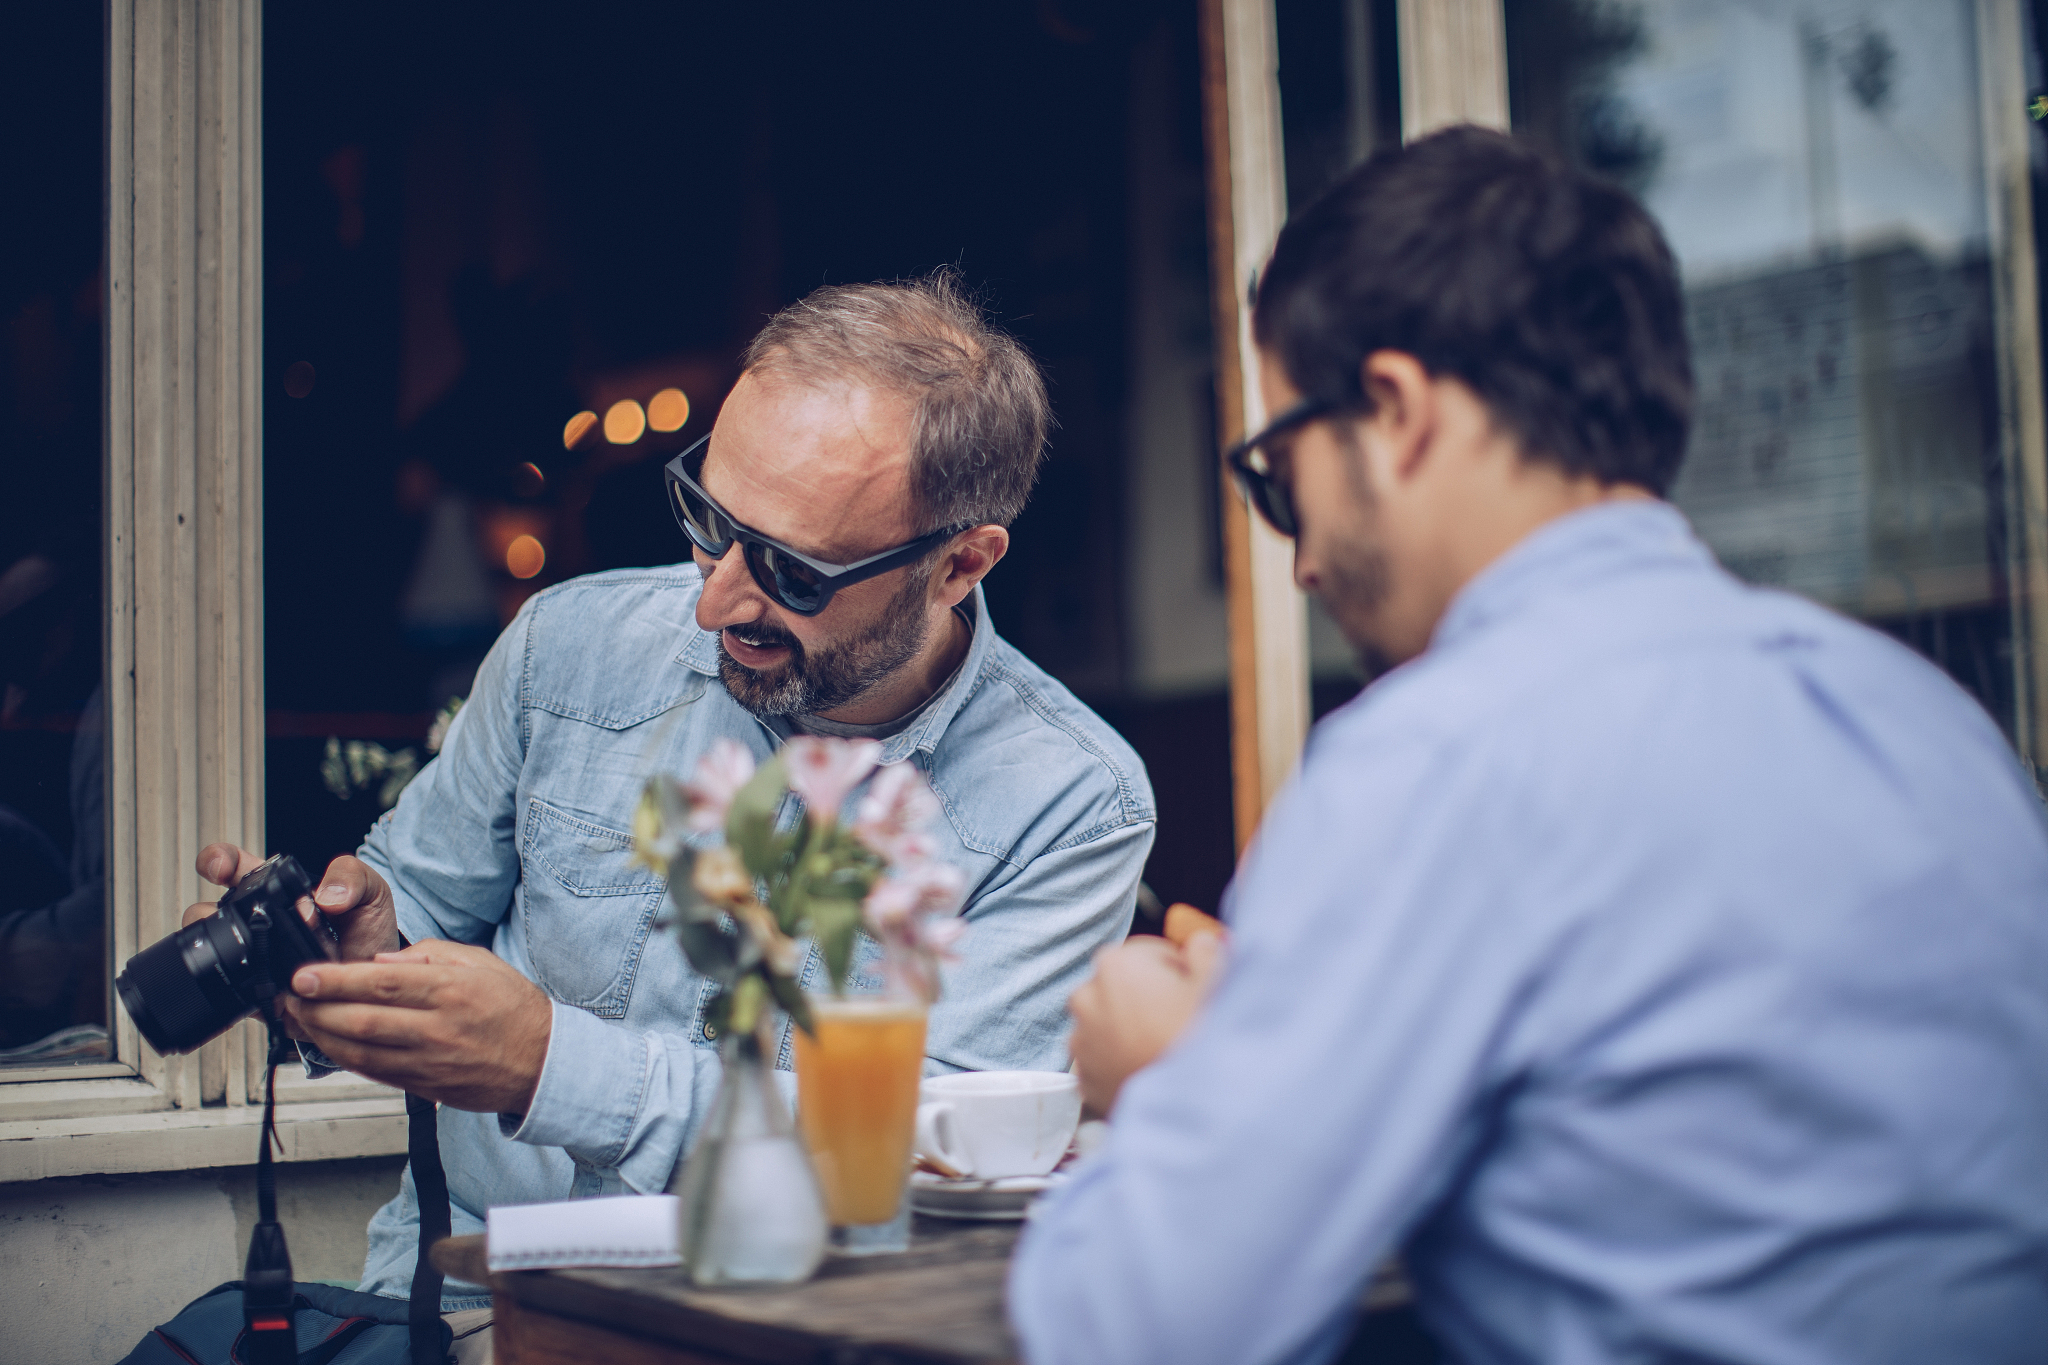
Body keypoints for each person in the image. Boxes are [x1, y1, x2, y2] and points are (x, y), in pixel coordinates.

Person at [1011, 126, 2048, 1365]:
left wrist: (1172, 1080)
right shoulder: (1925, 720)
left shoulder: (1432, 759)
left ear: (1393, 413)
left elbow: (1137, 1329)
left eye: (1280, 478)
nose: (1301, 562)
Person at [185, 274, 1156, 1319]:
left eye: (792, 572)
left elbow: (917, 1167)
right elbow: (419, 900)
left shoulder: (1070, 806)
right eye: (708, 519)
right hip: (469, 1312)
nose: (714, 600)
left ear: (959, 564)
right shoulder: (566, 646)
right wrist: (361, 950)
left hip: (780, 1336)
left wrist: (547, 1064)